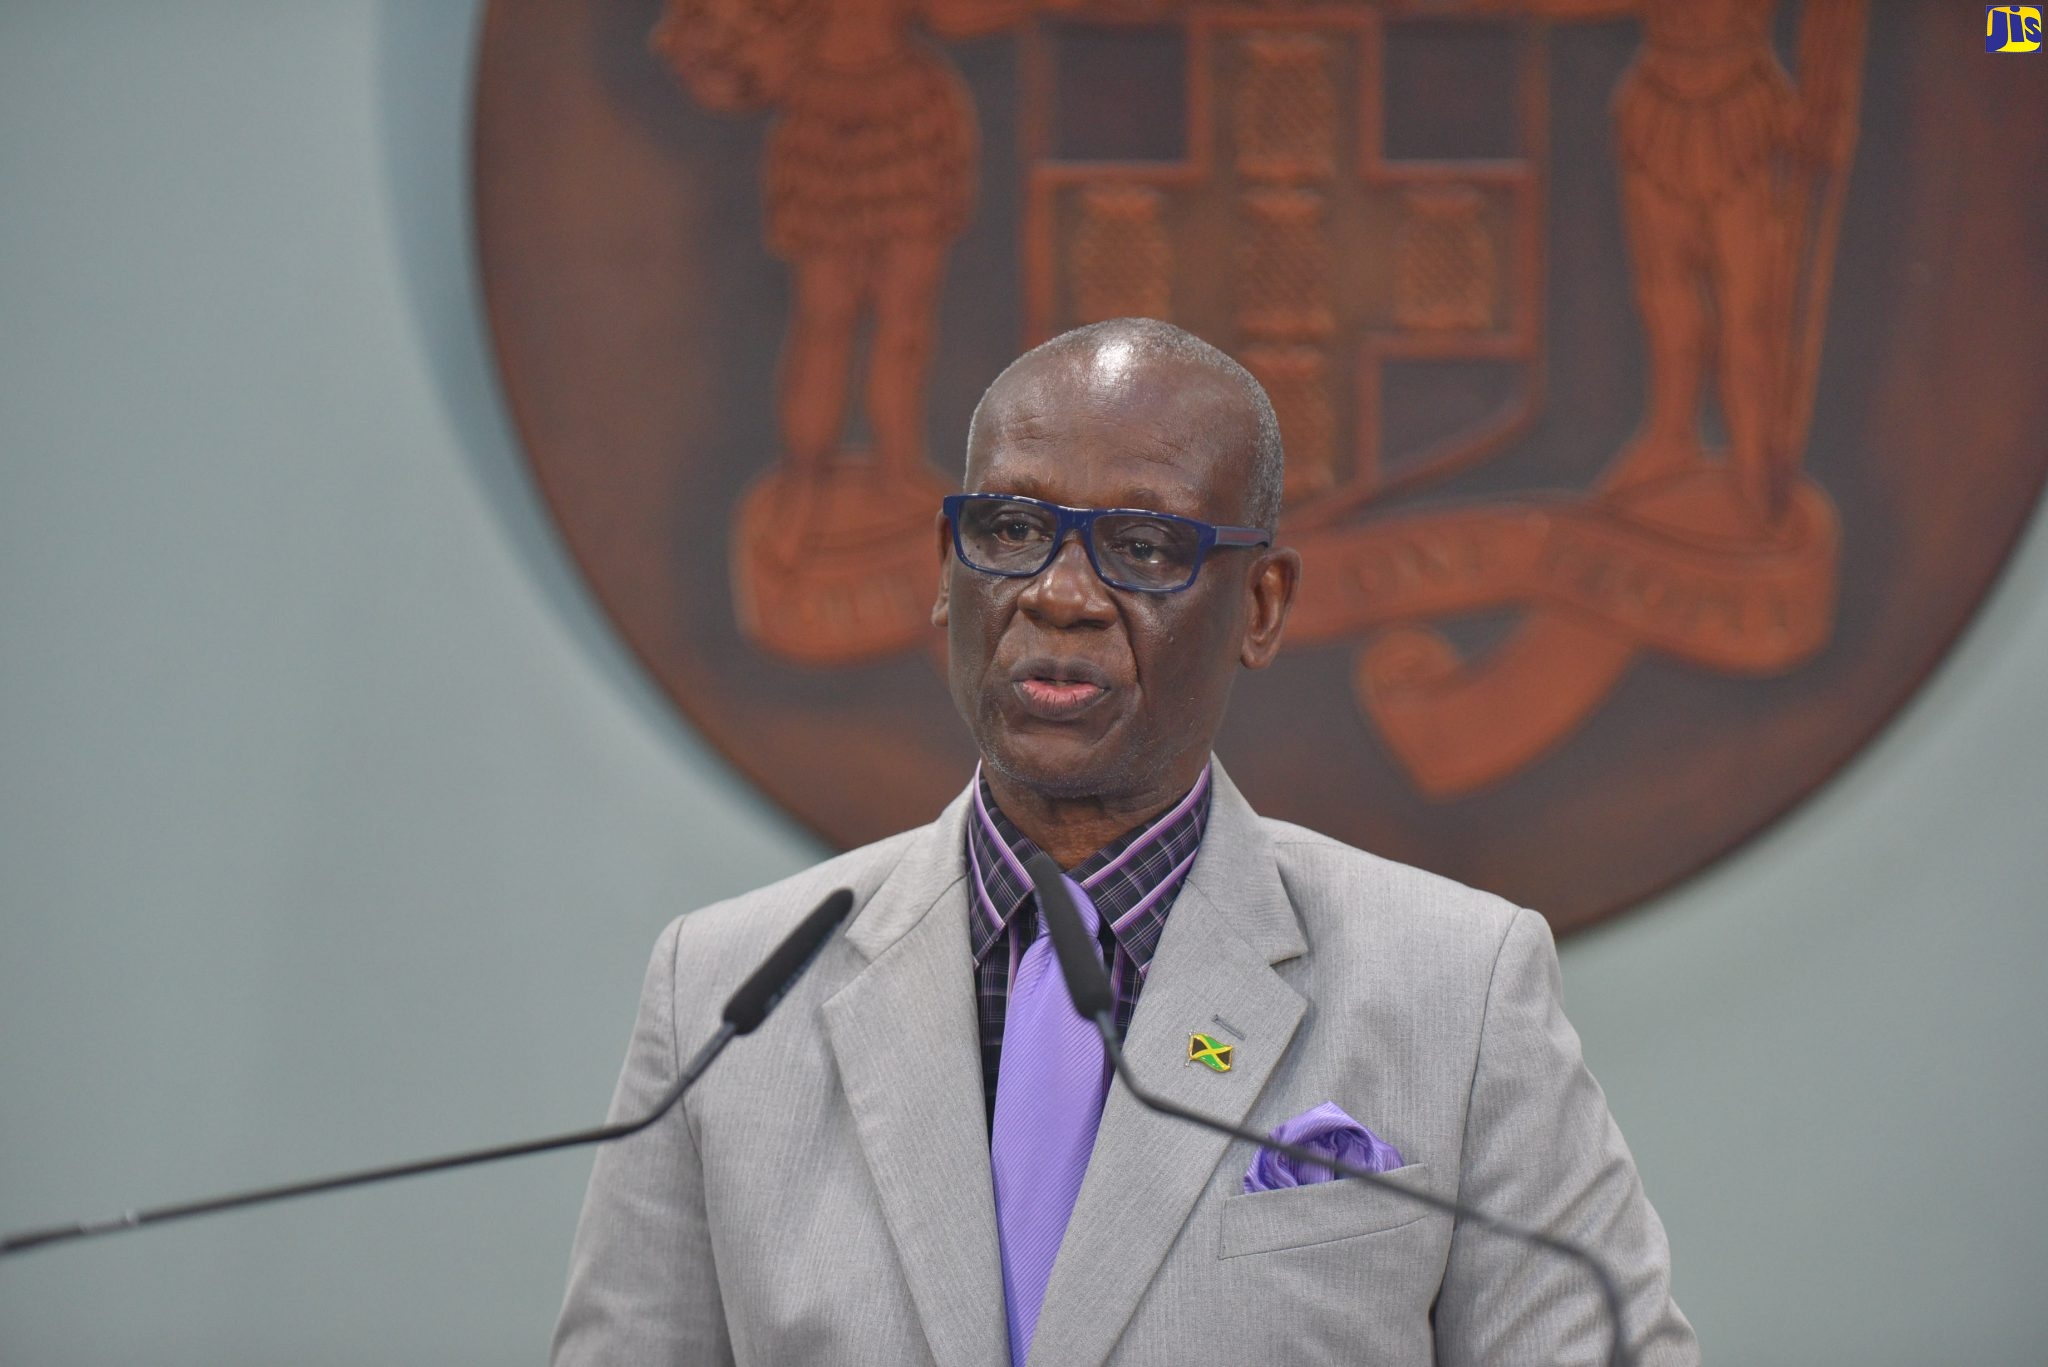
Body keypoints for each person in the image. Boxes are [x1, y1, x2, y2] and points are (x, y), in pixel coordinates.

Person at [551, 318, 1698, 1365]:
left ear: (1260, 607)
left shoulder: (1454, 985)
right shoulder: (723, 993)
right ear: (945, 578)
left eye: (1142, 546)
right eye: (1009, 528)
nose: (1059, 594)